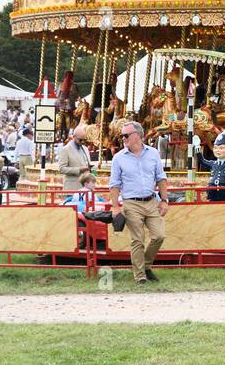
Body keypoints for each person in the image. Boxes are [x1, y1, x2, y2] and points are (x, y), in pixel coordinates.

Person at [108, 120, 170, 284]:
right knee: (138, 239)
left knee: (159, 236)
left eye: (126, 135)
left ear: (138, 135)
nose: (123, 138)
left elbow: (161, 178)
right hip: (131, 203)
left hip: (151, 201)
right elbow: (114, 184)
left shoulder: (153, 153)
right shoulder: (118, 158)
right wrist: (115, 207)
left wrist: (164, 200)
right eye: (122, 136)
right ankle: (140, 276)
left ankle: (146, 266)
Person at [58, 124, 93, 192]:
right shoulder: (66, 149)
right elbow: (62, 169)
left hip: (85, 189)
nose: (82, 142)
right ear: (74, 137)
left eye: (84, 140)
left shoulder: (85, 149)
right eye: (80, 140)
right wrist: (79, 170)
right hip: (72, 188)